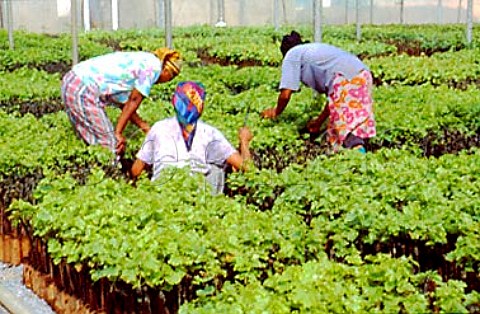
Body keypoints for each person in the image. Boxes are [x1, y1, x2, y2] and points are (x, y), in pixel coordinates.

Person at [261, 31, 376, 153]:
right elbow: (333, 101)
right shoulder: (311, 52)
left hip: (345, 79)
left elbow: (285, 94)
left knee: (342, 126)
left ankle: (358, 155)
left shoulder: (292, 54)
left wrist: (276, 112)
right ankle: (360, 152)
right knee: (355, 119)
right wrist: (319, 122)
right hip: (363, 74)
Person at [130, 81, 253, 194]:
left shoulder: (158, 127)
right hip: (195, 195)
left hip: (160, 193)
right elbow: (247, 169)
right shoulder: (209, 133)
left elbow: (136, 171)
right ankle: (211, 205)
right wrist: (244, 141)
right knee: (217, 166)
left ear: (175, 103)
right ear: (201, 107)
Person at [61, 48, 182, 156]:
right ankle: (109, 176)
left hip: (72, 82)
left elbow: (125, 104)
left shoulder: (145, 60)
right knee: (110, 145)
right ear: (167, 72)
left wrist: (144, 127)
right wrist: (118, 132)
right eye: (171, 78)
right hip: (83, 89)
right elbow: (133, 101)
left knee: (91, 139)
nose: (166, 82)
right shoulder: (153, 69)